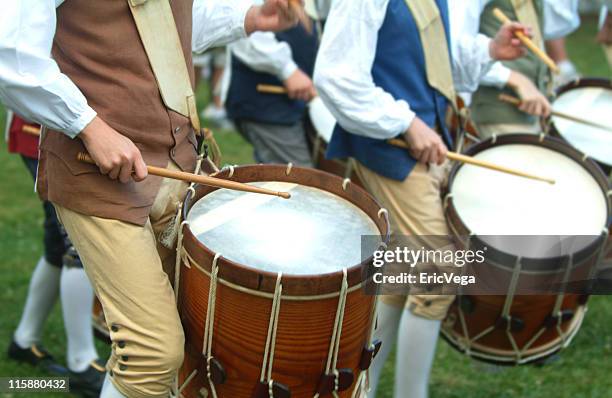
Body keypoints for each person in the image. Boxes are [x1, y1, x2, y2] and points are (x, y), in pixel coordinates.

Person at [0, 1, 299, 397]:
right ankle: (68, 355)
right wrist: (88, 126)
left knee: (199, 330)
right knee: (151, 352)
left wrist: (246, 18)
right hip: (93, 171)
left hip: (175, 161)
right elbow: (10, 51)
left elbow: (170, 25)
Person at [313, 1, 530, 397]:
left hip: (421, 143)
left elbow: (435, 64)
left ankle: (363, 389)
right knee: (438, 276)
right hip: (390, 147)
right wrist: (406, 122)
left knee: (401, 276)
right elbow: (336, 75)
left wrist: (489, 51)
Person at [5, 113, 105, 397]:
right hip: (53, 131)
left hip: (59, 131)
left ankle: (24, 341)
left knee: (59, 242)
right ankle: (81, 362)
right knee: (80, 242)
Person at [224, 0, 320, 167]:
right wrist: (288, 70)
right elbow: (239, 21)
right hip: (265, 102)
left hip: (292, 103)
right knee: (296, 180)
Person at [471, 0, 580, 138]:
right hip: (498, 108)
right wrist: (514, 79)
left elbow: (559, 24)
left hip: (532, 107)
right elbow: (457, 48)